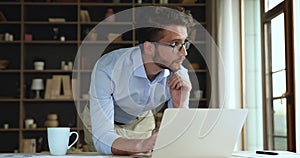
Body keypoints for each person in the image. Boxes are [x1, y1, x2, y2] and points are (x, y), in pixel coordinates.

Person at [83, 6, 194, 155]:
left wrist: (180, 104)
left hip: (141, 119)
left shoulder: (179, 74)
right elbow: (103, 138)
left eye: (184, 43)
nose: (184, 52)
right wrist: (142, 144)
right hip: (103, 120)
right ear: (149, 48)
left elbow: (180, 138)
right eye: (175, 44)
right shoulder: (108, 68)